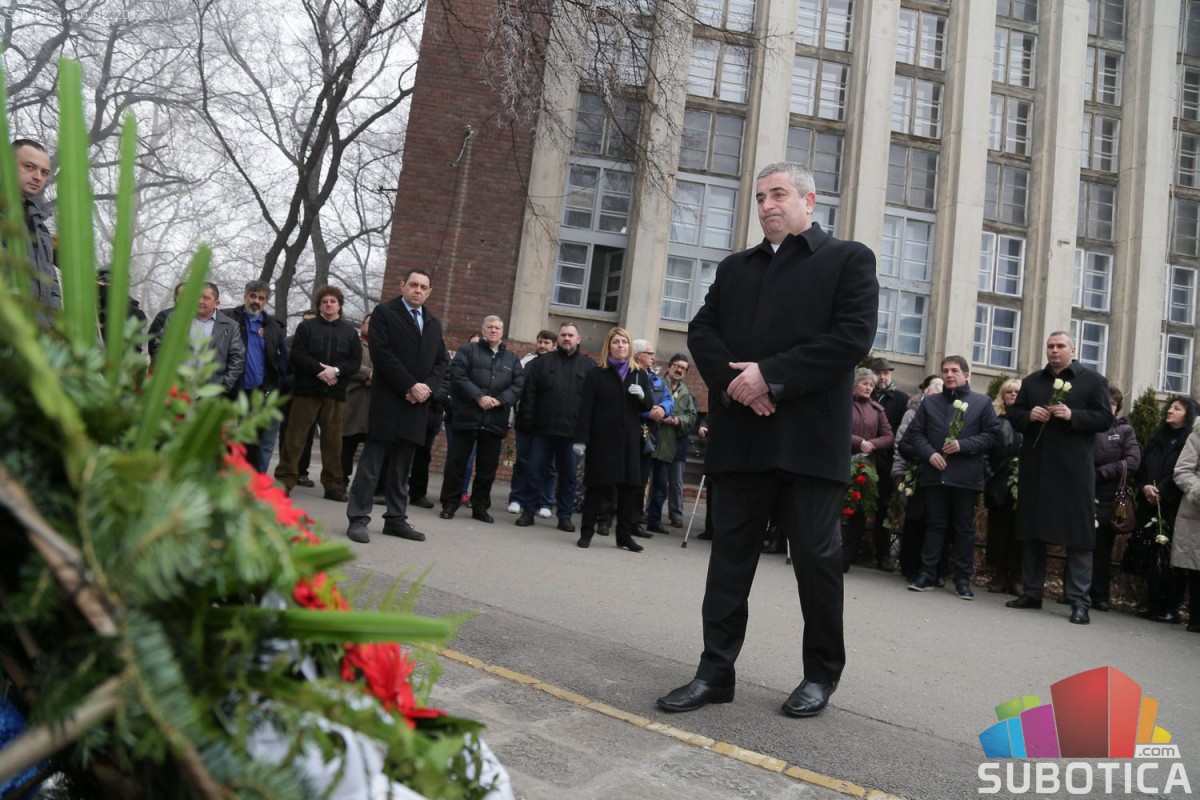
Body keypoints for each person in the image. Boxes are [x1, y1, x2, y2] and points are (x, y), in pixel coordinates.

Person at [657, 161, 878, 719]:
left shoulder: (848, 259)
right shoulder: (736, 268)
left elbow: (851, 338)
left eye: (778, 194)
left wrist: (770, 376)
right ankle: (715, 673)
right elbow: (703, 330)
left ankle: (820, 675)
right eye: (759, 197)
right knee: (729, 561)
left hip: (808, 441)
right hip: (744, 438)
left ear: (810, 200)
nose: (766, 205)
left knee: (816, 563)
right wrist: (740, 385)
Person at [1005, 332, 1112, 625]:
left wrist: (1073, 415)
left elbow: (1105, 418)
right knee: (1032, 533)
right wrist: (1029, 416)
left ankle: (1079, 602)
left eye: (1060, 346)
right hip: (1037, 469)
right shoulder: (1032, 382)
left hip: (1073, 472)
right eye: (1050, 346)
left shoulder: (1093, 381)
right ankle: (1032, 593)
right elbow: (1014, 415)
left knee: (1078, 537)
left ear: (1072, 350)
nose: (1054, 350)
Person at [346, 269, 447, 544]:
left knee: (402, 467)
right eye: (413, 285)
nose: (418, 290)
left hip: (417, 406)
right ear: (402, 286)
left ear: (429, 292)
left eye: (423, 287)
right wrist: (409, 385)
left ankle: (395, 519)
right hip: (388, 401)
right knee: (372, 465)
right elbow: (382, 354)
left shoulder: (433, 323)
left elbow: (441, 362)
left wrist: (426, 389)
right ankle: (358, 518)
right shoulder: (385, 313)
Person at [902, 356, 998, 599]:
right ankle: (927, 573)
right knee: (935, 525)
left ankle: (962, 579)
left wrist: (963, 445)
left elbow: (991, 435)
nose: (949, 375)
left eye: (955, 370)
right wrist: (930, 454)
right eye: (945, 370)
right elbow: (916, 434)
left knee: (964, 529)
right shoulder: (930, 402)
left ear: (966, 375)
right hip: (936, 474)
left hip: (966, 476)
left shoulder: (982, 402)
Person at [273, 286, 361, 500]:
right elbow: (298, 355)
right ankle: (284, 480)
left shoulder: (350, 333)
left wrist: (336, 371)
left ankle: (333, 486)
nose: (329, 305)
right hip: (306, 391)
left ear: (339, 305)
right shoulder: (306, 327)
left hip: (335, 394)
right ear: (319, 305)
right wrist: (320, 371)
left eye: (333, 301)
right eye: (324, 301)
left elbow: (354, 362)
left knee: (333, 441)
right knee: (295, 438)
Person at [438, 316, 524, 523]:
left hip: (494, 420)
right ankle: (450, 504)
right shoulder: (468, 351)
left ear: (502, 332)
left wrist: (500, 400)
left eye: (497, 328)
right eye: (490, 327)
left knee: (487, 468)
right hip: (467, 417)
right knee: (457, 464)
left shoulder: (512, 359)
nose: (493, 331)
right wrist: (478, 396)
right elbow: (457, 376)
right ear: (483, 330)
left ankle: (480, 507)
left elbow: (518, 385)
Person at [574, 327, 653, 551]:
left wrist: (643, 396)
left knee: (629, 490)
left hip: (629, 441)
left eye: (624, 342)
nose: (620, 346)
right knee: (596, 487)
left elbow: (647, 406)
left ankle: (624, 536)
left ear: (630, 347)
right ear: (609, 346)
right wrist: (581, 439)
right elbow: (586, 408)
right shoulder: (596, 373)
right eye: (616, 342)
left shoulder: (638, 374)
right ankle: (586, 532)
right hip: (602, 439)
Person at [515, 322, 595, 532]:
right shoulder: (542, 363)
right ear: (558, 339)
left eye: (571, 335)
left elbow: (591, 403)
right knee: (534, 472)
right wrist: (527, 422)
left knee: (568, 478)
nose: (567, 338)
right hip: (542, 430)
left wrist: (586, 432)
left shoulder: (588, 367)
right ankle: (528, 511)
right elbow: (529, 395)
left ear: (578, 339)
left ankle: (565, 516)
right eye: (563, 335)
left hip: (571, 433)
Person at [1134, 396, 1196, 622]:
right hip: (1150, 504)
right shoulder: (1157, 438)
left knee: (1173, 558)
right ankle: (1153, 604)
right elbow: (1142, 468)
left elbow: (1182, 471)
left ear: (1188, 415)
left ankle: (1171, 607)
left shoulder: (1189, 440)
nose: (1170, 411)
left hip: (1173, 506)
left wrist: (1161, 490)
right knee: (1151, 554)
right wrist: (1145, 487)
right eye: (1170, 407)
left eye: (1177, 409)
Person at [1088, 386, 1140, 611]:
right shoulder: (1086, 427)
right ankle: (1074, 591)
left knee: (1102, 549)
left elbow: (1132, 462)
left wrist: (1102, 473)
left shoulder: (1125, 431)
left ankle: (1099, 595)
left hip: (1109, 498)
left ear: (1117, 407)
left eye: (1112, 403)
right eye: (1104, 402)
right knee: (1078, 544)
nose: (1107, 406)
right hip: (1084, 494)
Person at [228, 280, 288, 472]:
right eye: (252, 296)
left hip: (258, 394)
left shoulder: (273, 327)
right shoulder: (228, 319)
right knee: (228, 442)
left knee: (253, 444)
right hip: (232, 391)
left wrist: (274, 386)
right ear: (245, 297)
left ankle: (248, 483)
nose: (256, 301)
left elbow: (281, 360)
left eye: (261, 298)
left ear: (266, 302)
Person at [151, 282, 246, 397]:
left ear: (216, 303)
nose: (200, 301)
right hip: (176, 388)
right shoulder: (176, 318)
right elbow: (160, 346)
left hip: (209, 392)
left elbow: (237, 358)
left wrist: (224, 385)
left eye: (206, 298)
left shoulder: (230, 326)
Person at [893, 376, 945, 582]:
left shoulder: (950, 416)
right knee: (915, 521)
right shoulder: (915, 415)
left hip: (940, 477)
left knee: (936, 523)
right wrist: (924, 454)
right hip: (917, 474)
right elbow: (902, 444)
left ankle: (934, 569)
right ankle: (911, 566)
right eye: (933, 395)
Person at [842, 367, 893, 573]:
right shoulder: (844, 403)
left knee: (858, 512)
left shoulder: (877, 410)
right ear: (855, 384)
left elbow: (889, 436)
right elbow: (836, 429)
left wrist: (871, 444)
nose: (869, 388)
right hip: (841, 462)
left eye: (871, 385)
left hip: (866, 467)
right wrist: (858, 442)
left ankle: (846, 558)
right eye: (864, 383)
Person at [507, 330, 557, 515]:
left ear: (554, 346)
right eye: (540, 342)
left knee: (550, 466)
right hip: (526, 420)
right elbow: (516, 391)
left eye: (547, 342)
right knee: (523, 461)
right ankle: (517, 498)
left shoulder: (559, 364)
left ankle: (545, 503)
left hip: (550, 424)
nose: (542, 346)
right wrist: (512, 418)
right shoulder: (526, 363)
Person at [11, 140, 59, 326]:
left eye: (44, 172)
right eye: (29, 167)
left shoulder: (40, 226)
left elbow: (51, 285)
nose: (38, 177)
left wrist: (53, 327)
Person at [646, 354, 696, 531]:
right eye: (676, 366)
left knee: (661, 486)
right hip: (649, 439)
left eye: (683, 368)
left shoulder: (686, 394)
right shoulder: (656, 384)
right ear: (669, 367)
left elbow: (691, 417)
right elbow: (645, 403)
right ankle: (634, 517)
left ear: (686, 373)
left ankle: (654, 521)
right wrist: (659, 414)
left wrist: (678, 420)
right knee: (641, 481)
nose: (679, 370)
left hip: (668, 445)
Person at [630, 339, 673, 536]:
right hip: (630, 430)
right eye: (650, 353)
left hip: (648, 435)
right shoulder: (630, 374)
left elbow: (668, 399)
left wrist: (662, 409)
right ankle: (606, 518)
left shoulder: (656, 379)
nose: (654, 357)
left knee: (641, 479)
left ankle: (635, 522)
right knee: (621, 476)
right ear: (639, 355)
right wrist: (650, 412)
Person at [869, 357, 909, 570]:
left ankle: (883, 555)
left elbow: (902, 431)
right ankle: (849, 552)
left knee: (884, 511)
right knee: (855, 506)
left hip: (887, 461)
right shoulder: (863, 394)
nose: (882, 377)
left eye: (886, 373)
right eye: (878, 373)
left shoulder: (900, 399)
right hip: (863, 457)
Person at [983, 379, 1022, 594]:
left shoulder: (1030, 420)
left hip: (1023, 486)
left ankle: (1016, 577)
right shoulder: (995, 421)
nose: (1013, 395)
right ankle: (998, 575)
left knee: (1019, 533)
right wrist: (989, 475)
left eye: (1017, 392)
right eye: (1009, 392)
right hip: (998, 483)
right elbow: (985, 451)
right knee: (998, 532)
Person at [1168, 414, 1200, 633]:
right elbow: (1182, 471)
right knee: (1197, 569)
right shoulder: (1197, 435)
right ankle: (1196, 618)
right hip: (1197, 511)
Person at [341, 314, 373, 486]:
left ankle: (364, 485)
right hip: (353, 400)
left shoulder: (382, 346)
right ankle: (341, 479)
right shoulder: (354, 343)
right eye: (369, 323)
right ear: (362, 325)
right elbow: (347, 364)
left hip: (373, 403)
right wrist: (368, 375)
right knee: (347, 443)